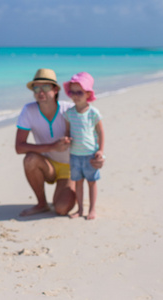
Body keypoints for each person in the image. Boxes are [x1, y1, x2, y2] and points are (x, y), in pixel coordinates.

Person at [15, 68, 76, 216]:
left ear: (55, 90)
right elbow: (19, 147)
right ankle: (41, 204)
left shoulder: (68, 109)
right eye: (36, 88)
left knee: (61, 209)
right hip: (48, 165)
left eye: (46, 87)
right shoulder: (28, 110)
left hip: (69, 168)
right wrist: (53, 147)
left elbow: (87, 136)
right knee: (29, 159)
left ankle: (72, 189)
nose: (40, 92)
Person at [63, 72, 104, 220]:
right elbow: (67, 132)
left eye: (79, 92)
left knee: (92, 183)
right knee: (78, 183)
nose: (75, 95)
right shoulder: (69, 113)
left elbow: (100, 132)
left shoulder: (93, 112)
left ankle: (92, 209)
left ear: (88, 94)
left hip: (90, 155)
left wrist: (100, 150)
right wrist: (66, 140)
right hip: (75, 155)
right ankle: (80, 209)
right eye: (72, 92)